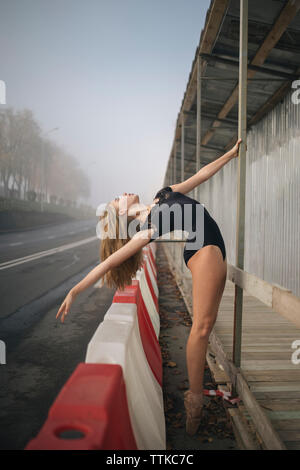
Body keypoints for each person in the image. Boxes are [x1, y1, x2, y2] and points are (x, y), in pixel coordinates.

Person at [56, 138, 242, 436]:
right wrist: (75, 290)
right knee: (202, 327)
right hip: (204, 250)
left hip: (212, 246)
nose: (123, 194)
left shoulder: (163, 195)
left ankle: (196, 398)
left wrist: (230, 155)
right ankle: (194, 401)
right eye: (118, 200)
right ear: (121, 217)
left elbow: (202, 175)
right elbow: (108, 263)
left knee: (205, 325)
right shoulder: (147, 228)